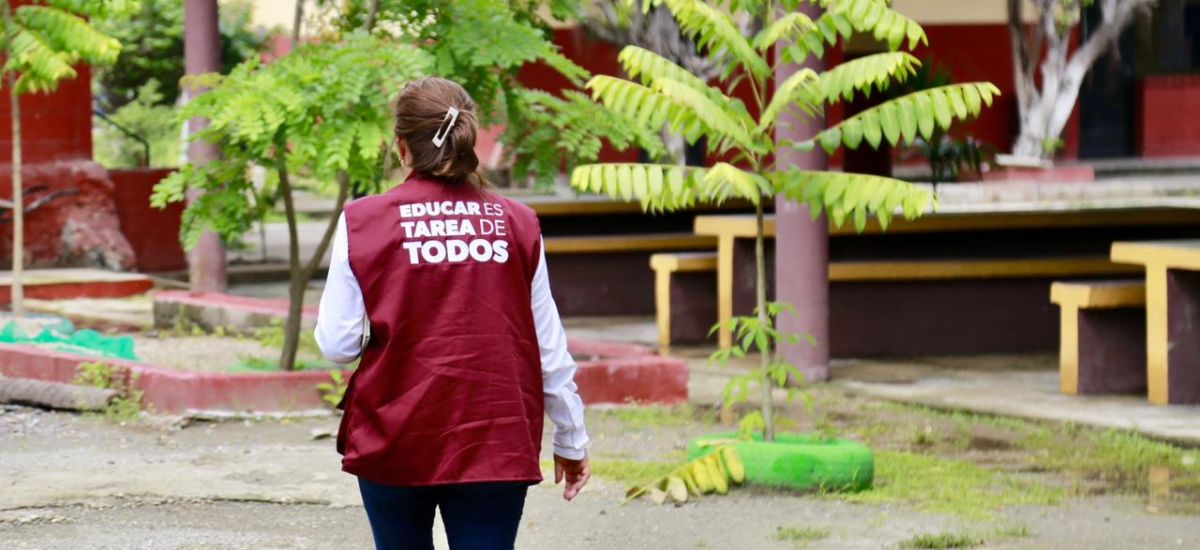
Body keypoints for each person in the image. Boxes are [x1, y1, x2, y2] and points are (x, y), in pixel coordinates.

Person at [314, 77, 590, 550]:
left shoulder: (364, 221)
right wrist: (571, 437)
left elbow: (337, 346)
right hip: (495, 436)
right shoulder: (518, 222)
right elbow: (547, 344)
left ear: (402, 146)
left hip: (396, 433)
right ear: (471, 138)